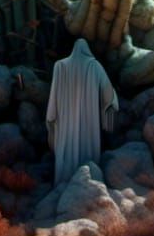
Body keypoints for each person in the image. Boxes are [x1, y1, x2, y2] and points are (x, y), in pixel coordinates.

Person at [45, 38, 118, 185]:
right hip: (88, 120)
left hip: (65, 121)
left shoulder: (60, 66)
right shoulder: (94, 66)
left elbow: (53, 97)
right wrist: (111, 104)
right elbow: (108, 93)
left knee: (66, 149)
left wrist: (51, 118)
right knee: (87, 150)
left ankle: (63, 186)